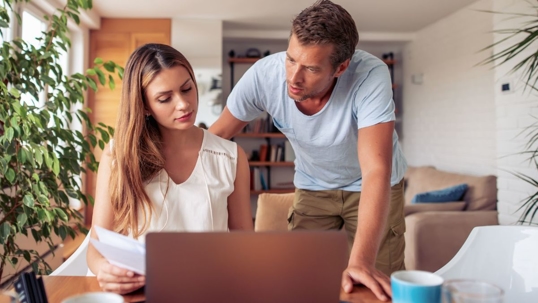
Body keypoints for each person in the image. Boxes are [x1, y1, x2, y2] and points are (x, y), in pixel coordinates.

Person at [209, 0, 407, 301]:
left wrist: (361, 261)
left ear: (341, 67)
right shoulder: (265, 75)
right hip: (313, 187)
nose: (294, 77)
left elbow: (375, 170)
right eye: (291, 60)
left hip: (372, 187)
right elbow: (216, 139)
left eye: (311, 68)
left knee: (372, 287)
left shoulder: (370, 76)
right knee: (304, 282)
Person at [87, 43, 253, 294]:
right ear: (143, 106)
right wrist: (103, 269)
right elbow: (96, 245)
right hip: (142, 293)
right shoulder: (118, 156)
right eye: (165, 98)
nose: (184, 104)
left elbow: (244, 241)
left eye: (187, 89)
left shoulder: (231, 157)